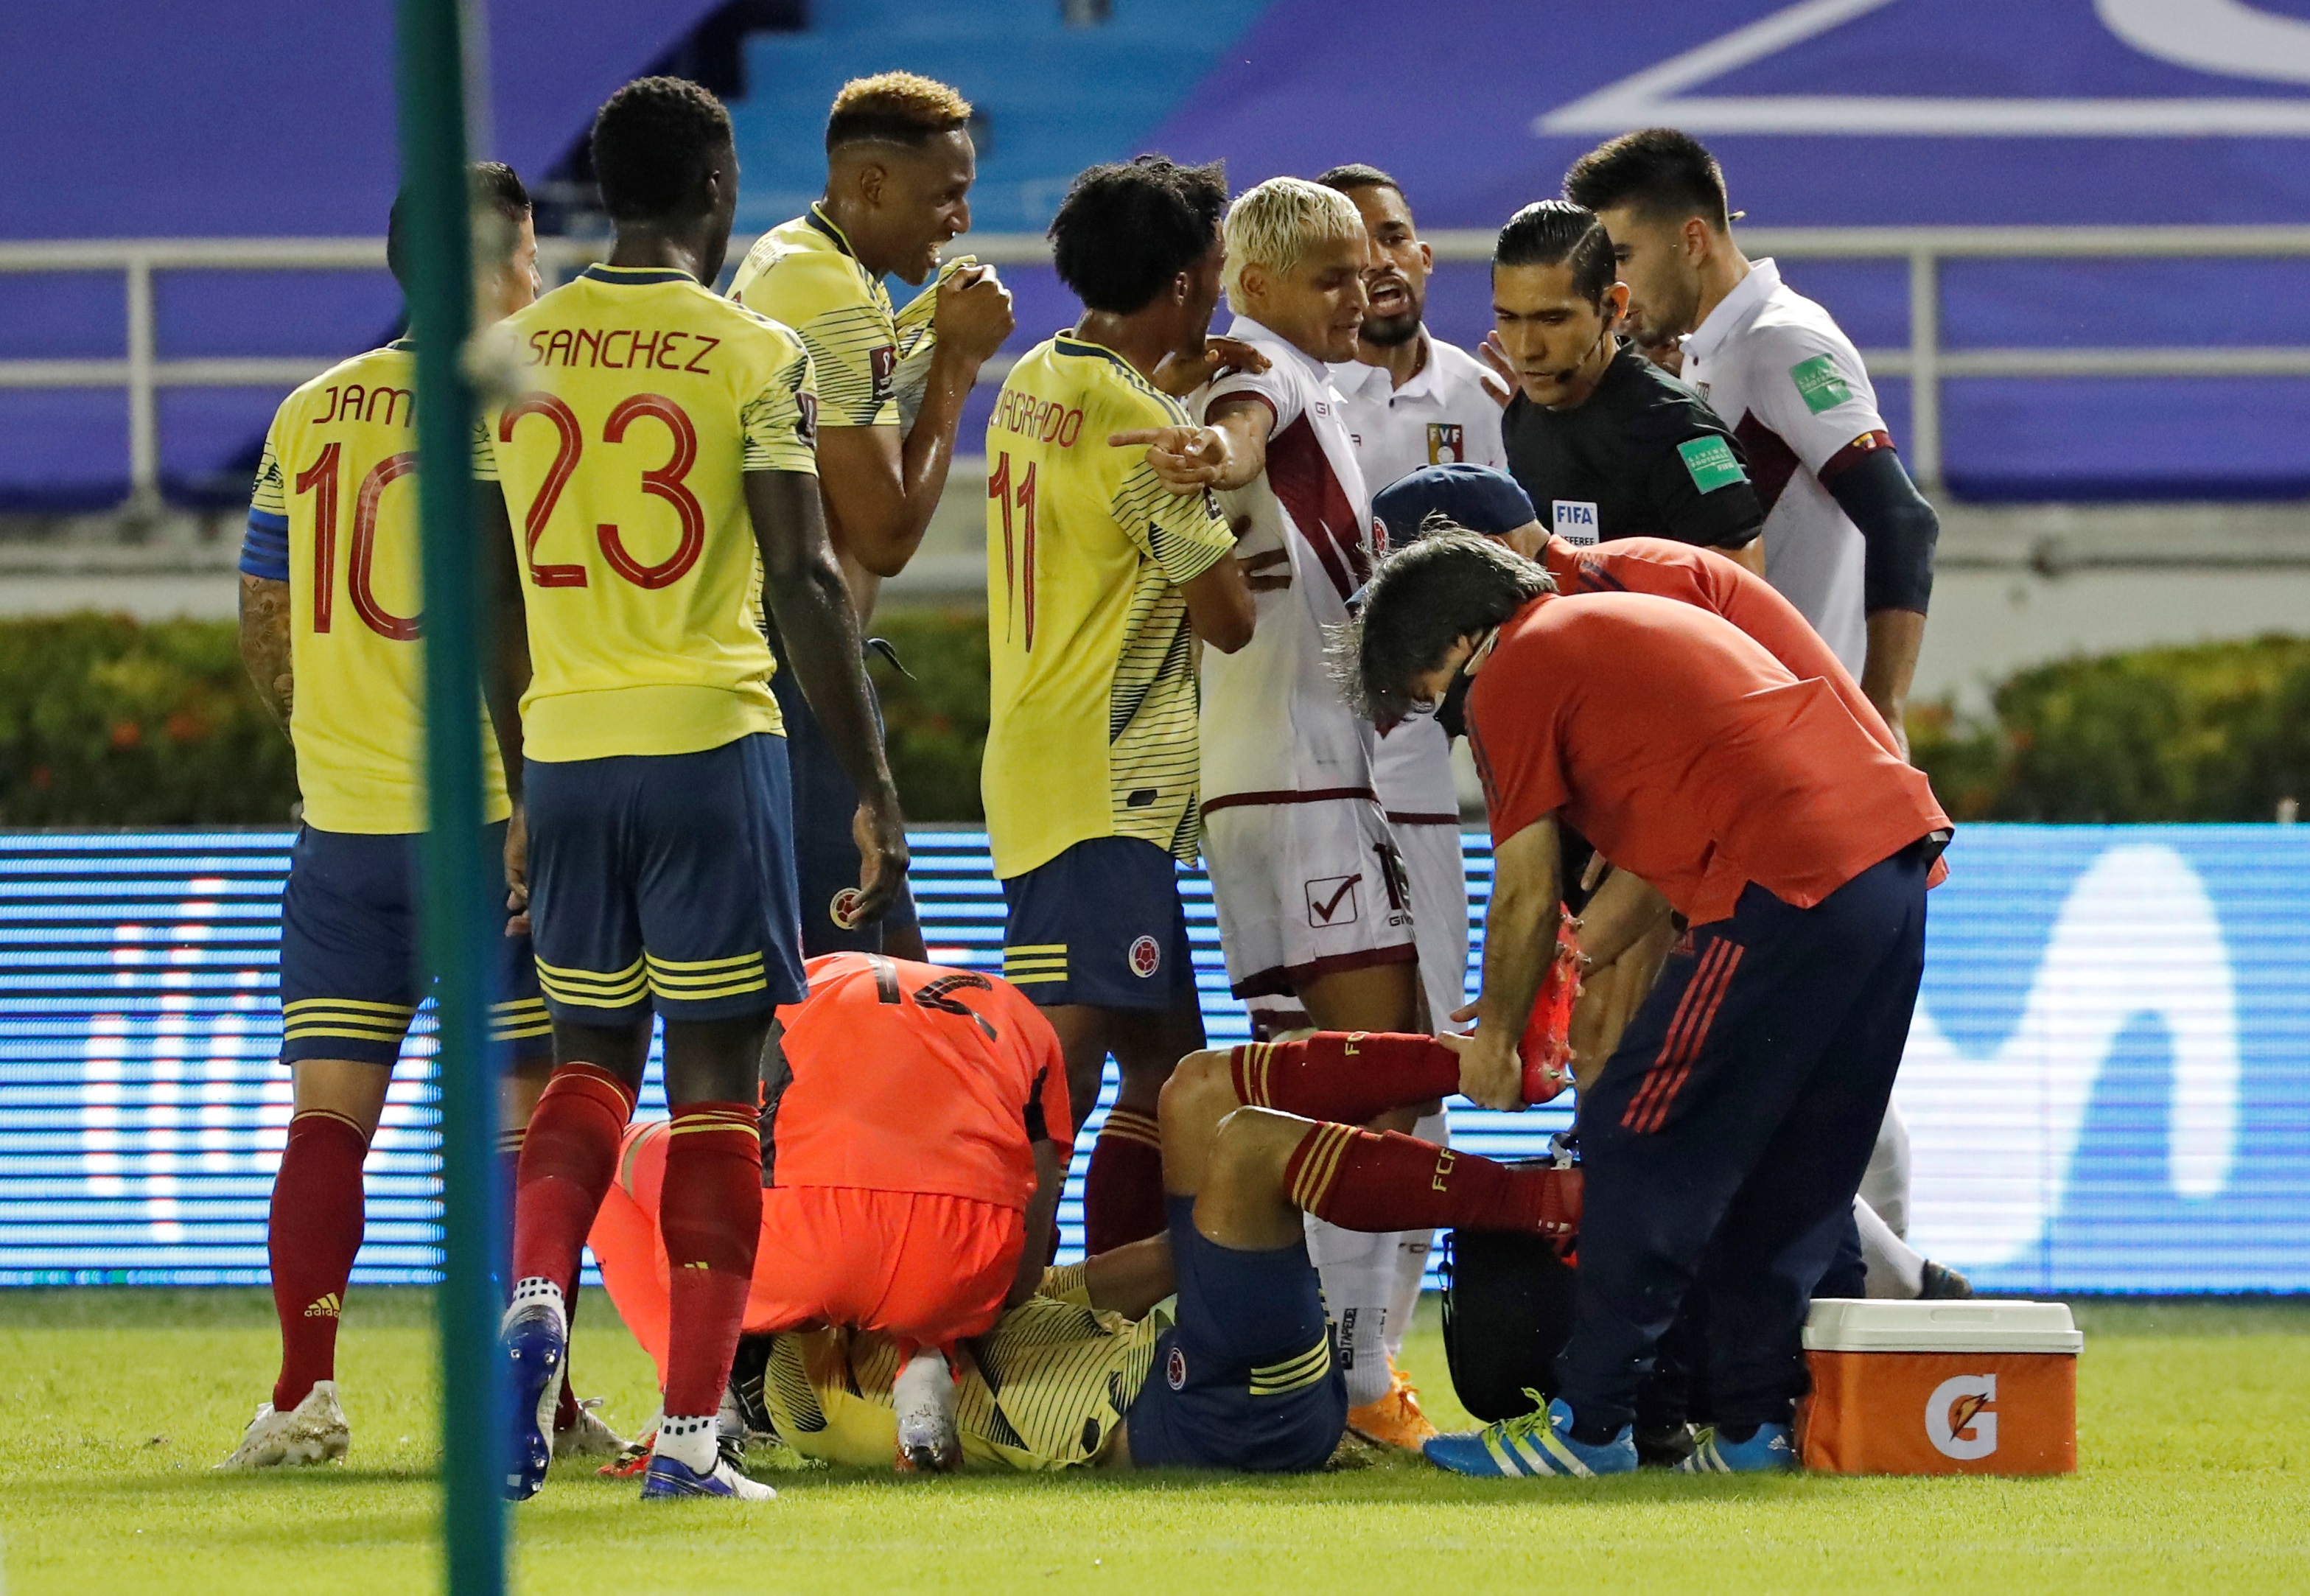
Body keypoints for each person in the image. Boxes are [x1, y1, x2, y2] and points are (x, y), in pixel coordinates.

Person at [476, 77, 908, 1504]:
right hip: (712, 739)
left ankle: (535, 1292)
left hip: (571, 744)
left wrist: (525, 767)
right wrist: (865, 772)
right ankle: (687, 1442)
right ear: (718, 190)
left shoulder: (507, 352)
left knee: (588, 1061)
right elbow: (797, 575)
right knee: (718, 1090)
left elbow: (487, 587)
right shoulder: (748, 347)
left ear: (600, 189)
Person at [1342, 532, 1950, 1477]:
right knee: (1791, 1162)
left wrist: (1496, 1042)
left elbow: (1527, 889)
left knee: (1632, 1135)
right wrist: (1558, 983)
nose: (1463, 733)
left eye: (1441, 708)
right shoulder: (1619, 633)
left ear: (1461, 647)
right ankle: (1753, 1428)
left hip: (1787, 876)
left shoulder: (1516, 669)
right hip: (1891, 865)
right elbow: (1641, 879)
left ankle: (1590, 1427)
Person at [218, 164, 618, 1469]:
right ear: (489, 267)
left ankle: (301, 1396)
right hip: (497, 821)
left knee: (331, 1117)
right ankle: (542, 1400)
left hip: (344, 825)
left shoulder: (309, 414)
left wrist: (334, 739)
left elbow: (265, 629)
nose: (542, 279)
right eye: (530, 257)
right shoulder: (522, 406)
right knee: (522, 1123)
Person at [592, 1031, 1581, 1474]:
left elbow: (1106, 1273)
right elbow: (901, 1358)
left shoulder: (922, 1305)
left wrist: (1238, 1238)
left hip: (1203, 1368)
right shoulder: (808, 1394)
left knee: (1195, 1089)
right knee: (1249, 1147)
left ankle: (1481, 1055)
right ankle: (1542, 1201)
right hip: (1207, 1420)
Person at [979, 155, 1256, 1256]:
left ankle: (1118, 1315)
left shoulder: (1040, 375)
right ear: (1188, 281)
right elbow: (1227, 614)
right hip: (1102, 782)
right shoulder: (1139, 429)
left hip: (1049, 765)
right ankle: (986, 1338)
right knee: (1059, 1081)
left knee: (1168, 1067)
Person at [1309, 161, 1510, 1451]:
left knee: (1424, 1061)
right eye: (1347, 250)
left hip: (1423, 786)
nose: (1377, 265)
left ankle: (1371, 1362)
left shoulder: (1482, 402)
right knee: (1320, 1067)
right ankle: (1317, 1353)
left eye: (1392, 240)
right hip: (1303, 775)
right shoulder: (1285, 390)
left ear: (1425, 257)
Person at [1119, 176, 1417, 1035]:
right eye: (1332, 280)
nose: (1361, 296)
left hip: (1272, 776)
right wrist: (1215, 453)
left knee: (1301, 1071)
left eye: (1362, 273)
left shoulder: (1298, 375)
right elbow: (1242, 433)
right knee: (1384, 1071)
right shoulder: (1265, 368)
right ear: (1254, 287)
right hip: (1303, 785)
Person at [728, 71, 1015, 956]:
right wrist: (961, 363)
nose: (960, 219)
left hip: (776, 666)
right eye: (947, 195)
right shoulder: (830, 295)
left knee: (844, 988)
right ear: (875, 186)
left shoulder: (793, 259)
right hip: (798, 672)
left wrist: (928, 329)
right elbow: (887, 534)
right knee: (867, 998)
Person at [588, 953, 1070, 1474]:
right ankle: (929, 1364)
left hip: (791, 1252)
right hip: (954, 1275)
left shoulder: (786, 988)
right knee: (942, 1179)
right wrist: (981, 1301)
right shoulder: (1020, 1011)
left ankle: (702, 1399)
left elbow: (723, 1141)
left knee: (612, 1157)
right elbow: (1031, 1227)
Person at [1567, 129, 1939, 752]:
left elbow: (1903, 519)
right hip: (1743, 731)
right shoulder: (1703, 355)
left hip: (1805, 734)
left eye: (1623, 258)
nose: (1612, 290)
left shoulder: (1781, 343)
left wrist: (1882, 708)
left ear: (1692, 240)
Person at [1487, 200, 1764, 569]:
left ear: (1614, 306)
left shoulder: (1678, 431)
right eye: (1508, 318)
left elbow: (1742, 585)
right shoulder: (1523, 416)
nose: (1525, 350)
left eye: (1553, 319)